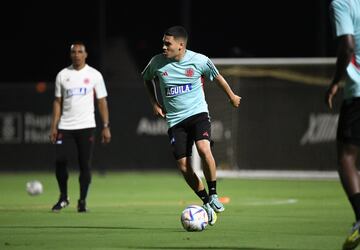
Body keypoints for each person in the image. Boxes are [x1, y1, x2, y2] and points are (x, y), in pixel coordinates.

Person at [142, 26, 241, 225]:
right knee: (183, 166)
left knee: (204, 148)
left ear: (181, 45)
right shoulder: (156, 62)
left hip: (198, 114)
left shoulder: (200, 60)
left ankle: (213, 194)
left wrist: (231, 96)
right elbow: (146, 79)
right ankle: (205, 201)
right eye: (163, 42)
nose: (163, 46)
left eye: (167, 43)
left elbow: (218, 77)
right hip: (175, 121)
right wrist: (154, 102)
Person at [49, 41, 111, 213]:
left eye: (80, 51)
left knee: (85, 165)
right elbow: (57, 102)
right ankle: (63, 197)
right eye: (73, 52)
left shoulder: (94, 75)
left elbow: (102, 101)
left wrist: (106, 125)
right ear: (70, 55)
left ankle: (82, 201)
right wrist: (54, 126)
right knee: (60, 161)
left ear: (86, 54)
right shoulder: (62, 75)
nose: (77, 54)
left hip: (86, 126)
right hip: (65, 127)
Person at [326, 0, 360, 249]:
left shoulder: (342, 3)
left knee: (346, 157)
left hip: (358, 94)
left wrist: (336, 79)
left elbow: (348, 45)